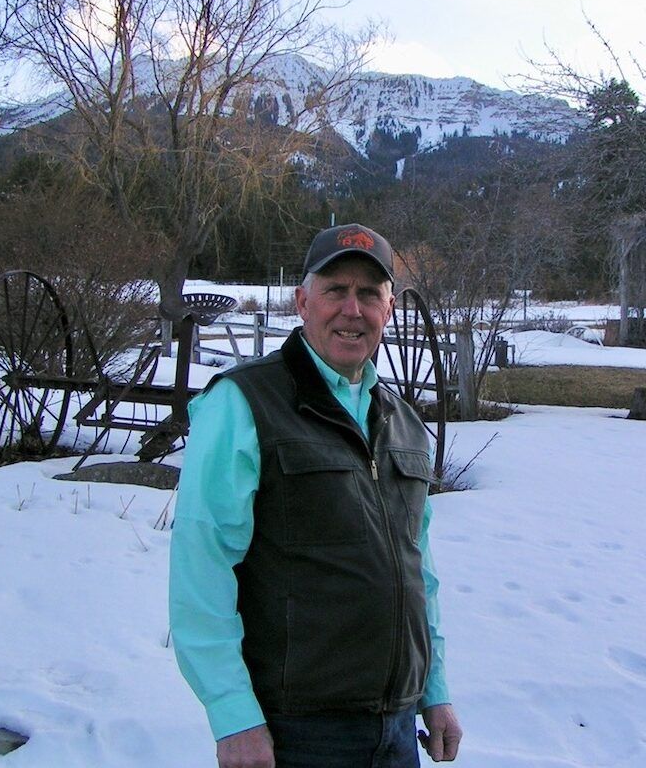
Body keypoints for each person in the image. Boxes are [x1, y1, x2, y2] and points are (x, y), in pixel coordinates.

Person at [170, 223, 462, 768]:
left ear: (389, 308)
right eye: (335, 290)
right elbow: (201, 566)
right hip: (298, 732)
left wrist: (434, 690)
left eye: (369, 294)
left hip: (397, 731)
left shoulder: (402, 422)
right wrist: (234, 716)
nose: (353, 309)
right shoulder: (244, 404)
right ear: (303, 301)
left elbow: (418, 572)